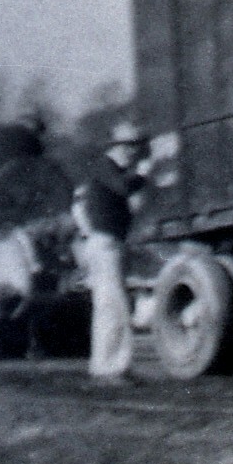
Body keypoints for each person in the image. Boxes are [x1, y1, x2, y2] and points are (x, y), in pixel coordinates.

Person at [68, 121, 149, 382]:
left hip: (109, 244)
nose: (133, 153)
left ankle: (110, 366)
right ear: (118, 148)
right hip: (105, 245)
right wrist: (145, 172)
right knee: (112, 306)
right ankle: (110, 368)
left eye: (135, 147)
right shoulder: (106, 167)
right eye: (130, 147)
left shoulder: (107, 168)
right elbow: (125, 188)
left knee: (111, 305)